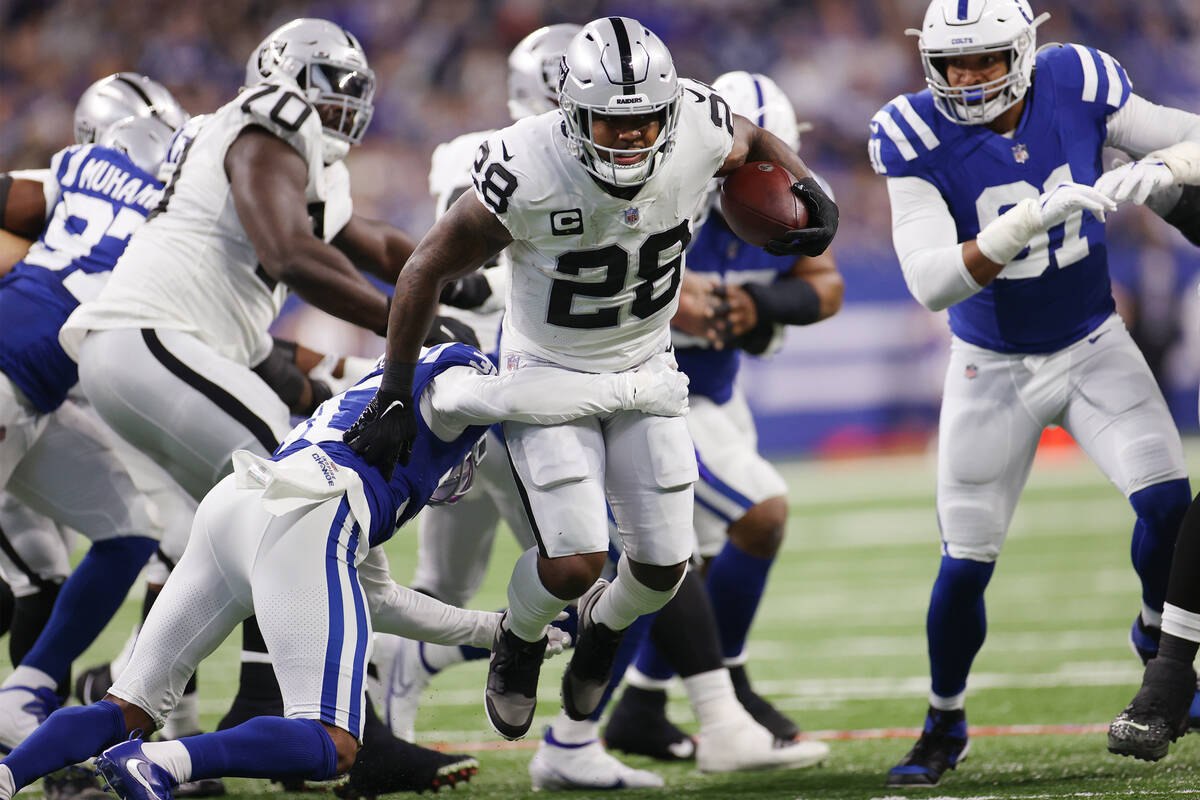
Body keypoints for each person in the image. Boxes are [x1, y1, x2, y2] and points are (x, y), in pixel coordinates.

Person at [342, 14, 838, 750]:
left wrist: (806, 183)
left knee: (665, 565)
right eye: (613, 123)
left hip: (647, 366)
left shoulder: (697, 123)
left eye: (645, 122)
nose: (634, 138)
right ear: (572, 115)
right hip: (547, 373)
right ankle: (518, 637)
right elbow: (423, 270)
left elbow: (750, 136)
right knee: (573, 563)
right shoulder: (526, 166)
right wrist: (392, 389)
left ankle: (604, 635)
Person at [53, 18, 475, 796]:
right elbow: (290, 253)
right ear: (284, 79)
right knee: (301, 491)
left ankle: (105, 718)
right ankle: (293, 710)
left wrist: (451, 267)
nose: (342, 102)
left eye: (354, 88)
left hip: (160, 355)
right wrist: (407, 319)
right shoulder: (269, 119)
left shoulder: (301, 154)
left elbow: (375, 243)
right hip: (155, 338)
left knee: (204, 542)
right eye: (329, 84)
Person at [0, 335, 690, 800]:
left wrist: (494, 631)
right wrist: (635, 390)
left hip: (243, 503)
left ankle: (6, 776)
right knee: (332, 743)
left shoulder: (362, 398)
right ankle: (162, 765)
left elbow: (381, 601)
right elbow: (502, 398)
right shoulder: (452, 374)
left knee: (127, 705)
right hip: (307, 516)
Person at [868, 0, 1200, 787]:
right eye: (954, 64)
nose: (970, 78)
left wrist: (1167, 168)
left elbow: (1191, 133)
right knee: (966, 563)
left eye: (986, 60)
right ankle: (944, 717)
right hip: (991, 367)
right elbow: (929, 282)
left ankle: (1158, 646)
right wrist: (1023, 222)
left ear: (1022, 50)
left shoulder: (1077, 78)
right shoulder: (911, 130)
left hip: (1093, 343)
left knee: (1169, 508)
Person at [607, 68, 844, 758]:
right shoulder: (660, 198)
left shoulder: (773, 205)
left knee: (695, 566)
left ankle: (644, 707)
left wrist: (762, 306)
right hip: (656, 396)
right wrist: (668, 298)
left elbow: (826, 284)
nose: (752, 171)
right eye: (743, 156)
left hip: (717, 396)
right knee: (759, 513)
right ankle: (727, 691)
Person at [0, 74, 194, 756]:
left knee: (127, 529)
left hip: (32, 389)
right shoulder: (179, 209)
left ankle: (25, 692)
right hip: (15, 372)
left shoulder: (76, 166)